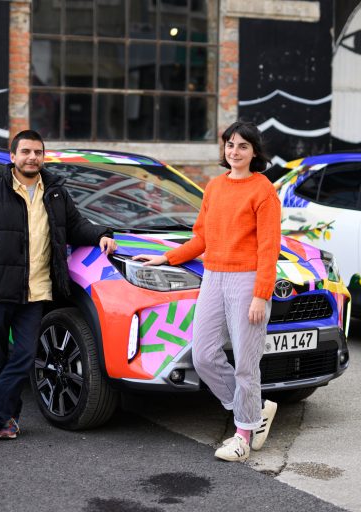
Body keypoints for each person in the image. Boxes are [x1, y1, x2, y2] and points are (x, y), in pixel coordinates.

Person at [133, 121, 281, 462]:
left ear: (254, 152)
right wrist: (166, 256)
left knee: (246, 362)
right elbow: (202, 238)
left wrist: (261, 293)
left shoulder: (263, 191)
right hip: (213, 277)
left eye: (243, 146)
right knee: (203, 355)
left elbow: (268, 248)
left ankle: (243, 434)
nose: (235, 151)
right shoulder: (214, 187)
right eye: (230, 145)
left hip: (247, 281)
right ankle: (252, 412)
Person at [0, 129, 117, 444]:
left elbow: (75, 226)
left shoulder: (56, 193)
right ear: (13, 157)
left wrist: (103, 233)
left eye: (37, 152)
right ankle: (8, 421)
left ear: (43, 157)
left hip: (37, 292)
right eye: (26, 152)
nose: (32, 157)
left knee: (24, 356)